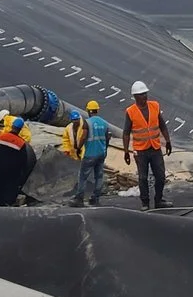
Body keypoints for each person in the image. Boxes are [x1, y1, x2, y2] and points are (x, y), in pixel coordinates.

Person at [122, 80, 173, 210]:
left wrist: (167, 141)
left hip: (155, 148)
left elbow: (162, 125)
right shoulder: (131, 111)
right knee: (143, 178)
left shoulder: (154, 106)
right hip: (141, 151)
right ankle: (145, 203)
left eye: (145, 93)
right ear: (135, 96)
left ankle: (158, 200)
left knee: (160, 176)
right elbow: (126, 133)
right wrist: (126, 151)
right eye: (141, 94)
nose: (144, 96)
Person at [70, 101, 111, 207]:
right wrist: (104, 150)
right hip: (101, 154)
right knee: (99, 176)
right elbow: (107, 138)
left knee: (83, 176)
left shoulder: (87, 122)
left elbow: (83, 136)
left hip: (90, 154)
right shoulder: (104, 123)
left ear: (88, 110)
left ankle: (79, 199)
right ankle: (95, 199)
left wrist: (78, 147)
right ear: (97, 110)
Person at [0, 111, 33, 206]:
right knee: (11, 187)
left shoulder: (0, 137)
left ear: (12, 126)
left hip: (0, 167)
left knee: (0, 185)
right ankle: (8, 204)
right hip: (13, 171)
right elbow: (23, 160)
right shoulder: (20, 143)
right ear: (20, 129)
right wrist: (22, 172)